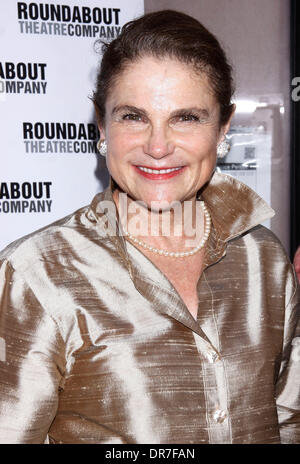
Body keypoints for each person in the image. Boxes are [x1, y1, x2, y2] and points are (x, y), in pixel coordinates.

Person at [0, 10, 299, 444]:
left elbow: (289, 423)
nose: (157, 146)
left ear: (223, 128)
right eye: (133, 116)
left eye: (187, 118)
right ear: (101, 126)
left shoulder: (264, 260)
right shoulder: (36, 273)